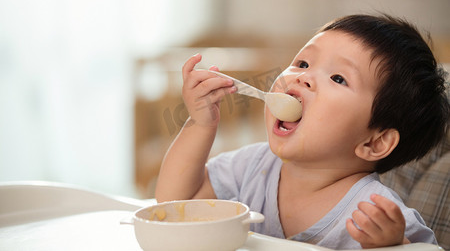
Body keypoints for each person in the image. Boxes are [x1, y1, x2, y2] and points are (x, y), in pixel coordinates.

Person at [155, 14, 449, 249]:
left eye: (338, 78)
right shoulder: (251, 167)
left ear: (374, 142)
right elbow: (175, 202)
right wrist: (201, 123)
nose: (305, 77)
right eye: (303, 63)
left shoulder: (374, 215)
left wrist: (394, 245)